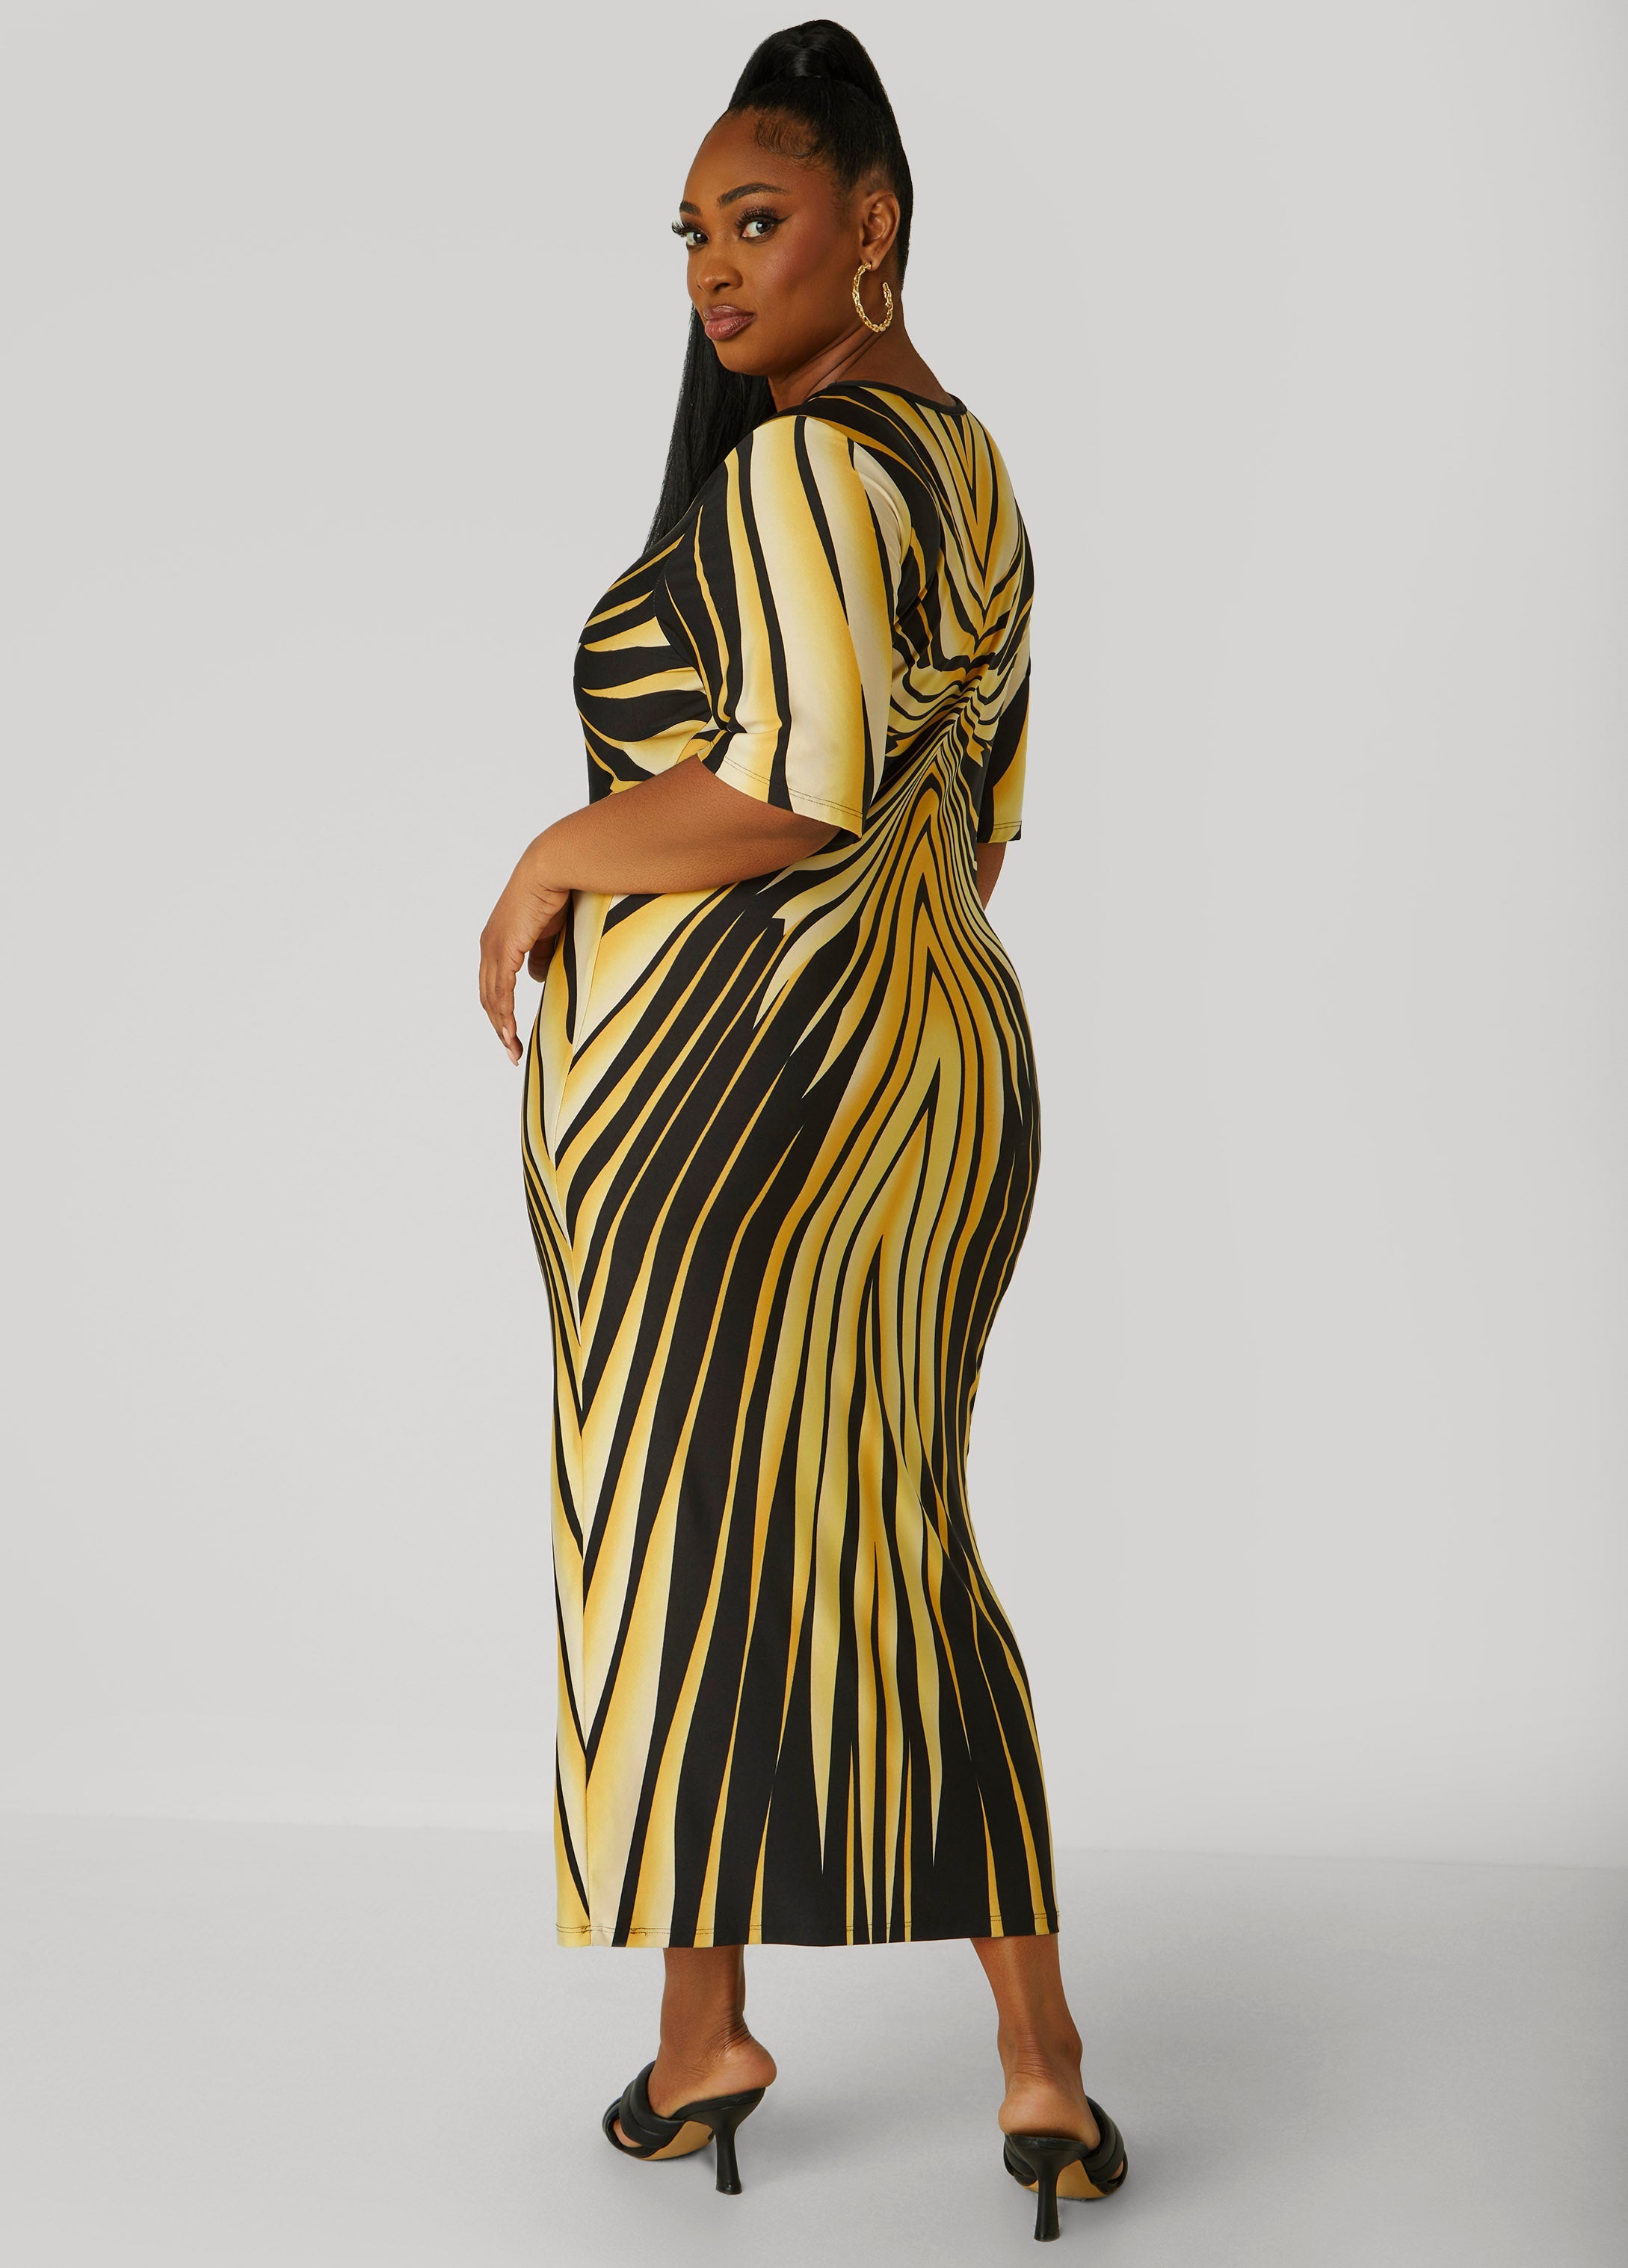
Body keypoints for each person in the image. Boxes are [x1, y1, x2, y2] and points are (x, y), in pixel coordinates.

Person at [478, 19, 1127, 2243]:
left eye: (754, 220)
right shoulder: (972, 467)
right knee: (887, 1538)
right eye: (687, 235)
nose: (711, 270)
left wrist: (553, 859)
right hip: (937, 1071)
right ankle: (1013, 2060)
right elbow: (977, 828)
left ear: (875, 224)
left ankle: (717, 2032)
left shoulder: (797, 470)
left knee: (680, 1544)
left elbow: (797, 787)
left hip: (734, 1103)